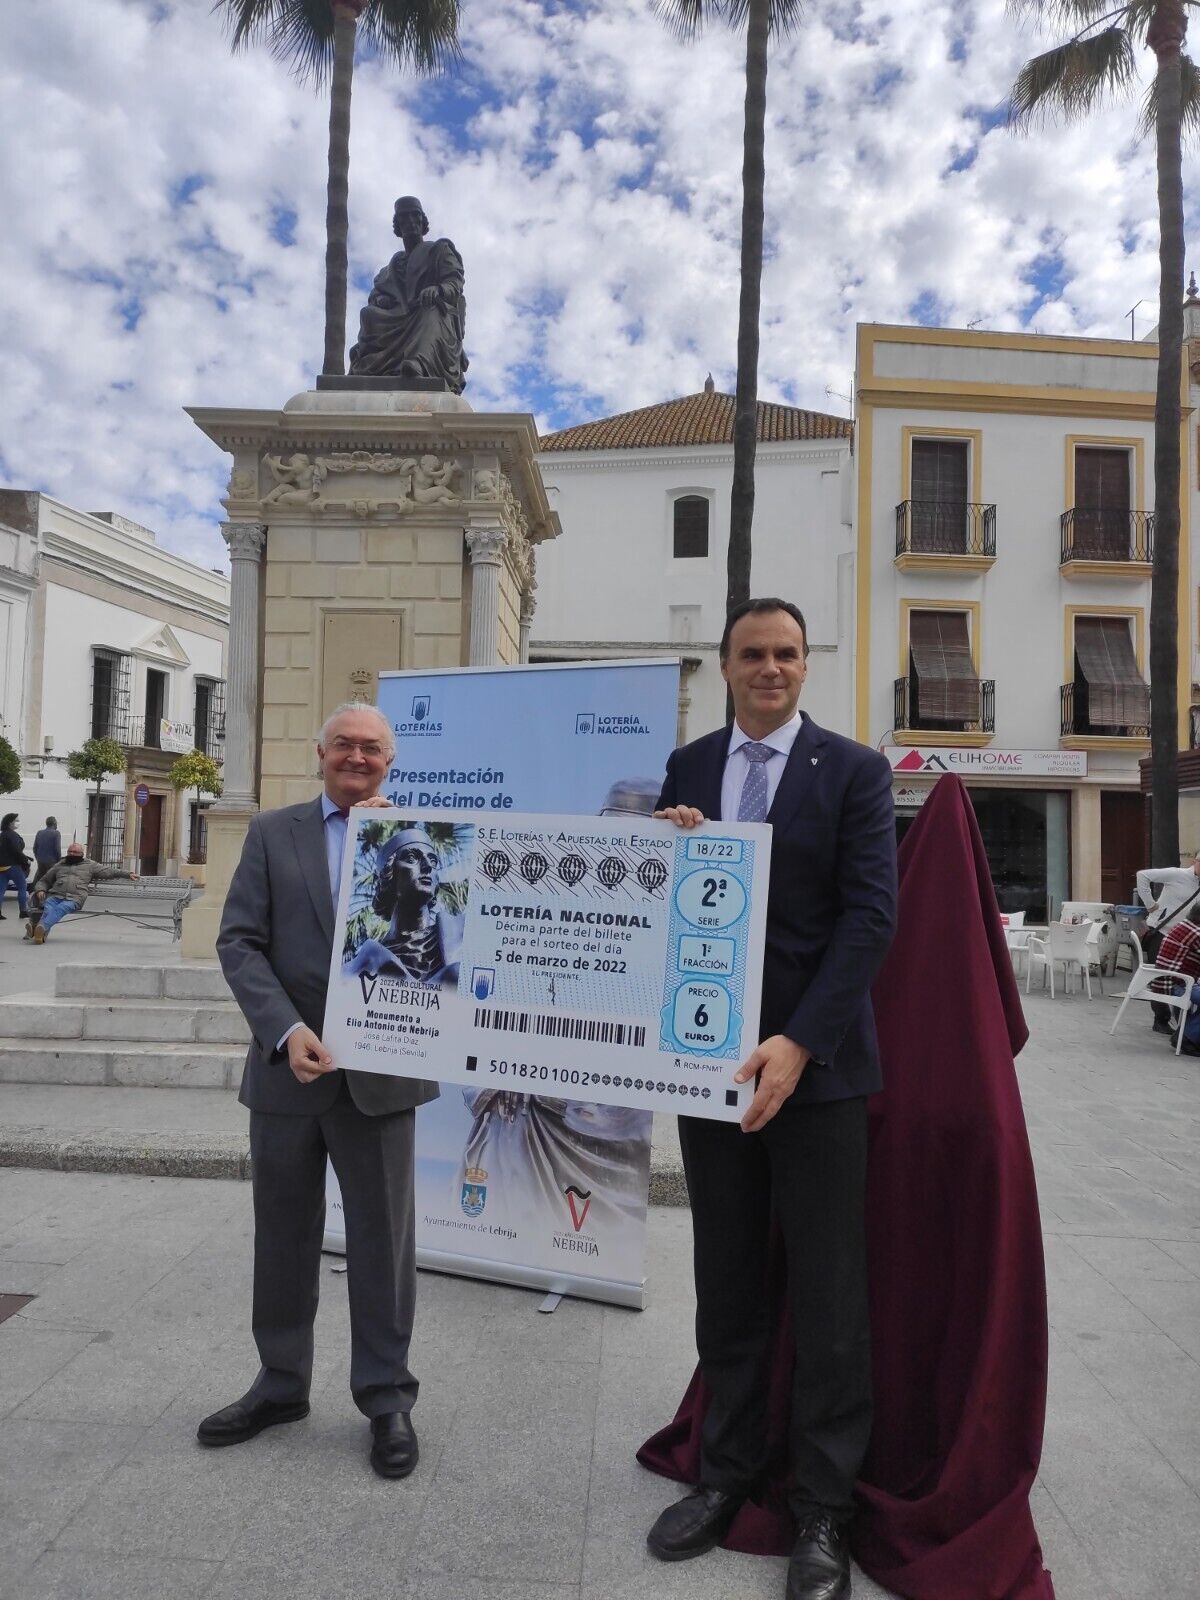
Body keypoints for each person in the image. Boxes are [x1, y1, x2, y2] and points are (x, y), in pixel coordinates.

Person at [644, 597, 897, 1600]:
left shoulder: (857, 771)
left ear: (804, 665)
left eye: (787, 653)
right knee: (729, 1280)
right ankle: (726, 1472)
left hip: (818, 1071)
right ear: (724, 665)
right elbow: (663, 901)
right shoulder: (689, 765)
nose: (771, 668)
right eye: (752, 653)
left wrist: (799, 1043)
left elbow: (871, 917)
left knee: (830, 1297)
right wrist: (663, 845)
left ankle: (823, 1509)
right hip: (709, 1065)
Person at [202, 704, 438, 1480]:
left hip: (382, 1079)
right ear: (320, 752)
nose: (357, 757)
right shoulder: (274, 833)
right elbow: (239, 941)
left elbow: (445, 948)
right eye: (344, 744)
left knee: (383, 1247)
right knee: (282, 1238)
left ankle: (387, 1398)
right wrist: (283, 1029)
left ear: (390, 761)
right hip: (288, 1072)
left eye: (372, 748)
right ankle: (280, 1385)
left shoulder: (425, 837)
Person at [348, 196, 468, 393]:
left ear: (422, 221)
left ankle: (419, 362)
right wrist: (380, 299)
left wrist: (438, 290)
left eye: (415, 216)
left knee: (429, 312)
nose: (411, 222)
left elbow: (454, 282)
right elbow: (377, 293)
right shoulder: (392, 266)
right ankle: (368, 367)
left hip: (429, 312)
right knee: (368, 314)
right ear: (398, 225)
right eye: (404, 218)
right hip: (397, 315)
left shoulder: (439, 250)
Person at [343, 825, 463, 988]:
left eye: (433, 861)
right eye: (412, 858)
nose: (428, 866)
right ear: (388, 876)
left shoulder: (463, 933)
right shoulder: (359, 968)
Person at [24, 842, 137, 942]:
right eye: (70, 852)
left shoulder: (90, 865)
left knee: (61, 908)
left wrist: (127, 874)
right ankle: (40, 934)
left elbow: (109, 871)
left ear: (82, 854)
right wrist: (40, 889)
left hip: (75, 898)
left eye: (75, 852)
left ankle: (39, 927)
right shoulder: (60, 865)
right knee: (48, 907)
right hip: (56, 895)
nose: (72, 854)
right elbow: (44, 880)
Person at [1146, 904, 1200, 1035]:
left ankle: (1185, 1030)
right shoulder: (1195, 933)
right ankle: (1188, 1035)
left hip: (1167, 979)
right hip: (1175, 983)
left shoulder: (1183, 925)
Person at [1135, 852, 1200, 959]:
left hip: (1183, 938)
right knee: (1158, 967)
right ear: (1194, 862)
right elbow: (1142, 875)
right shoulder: (1177, 874)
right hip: (1161, 931)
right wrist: (1150, 904)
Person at [0, 812, 31, 922]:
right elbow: (16, 851)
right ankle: (23, 911)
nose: (18, 822)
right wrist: (26, 860)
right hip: (13, 866)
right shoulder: (12, 835)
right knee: (22, 886)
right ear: (10, 823)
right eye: (16, 820)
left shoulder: (2, 834)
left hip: (2, 867)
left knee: (1, 890)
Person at [31, 816, 62, 887]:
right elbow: (57, 848)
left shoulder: (39, 832)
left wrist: (38, 858)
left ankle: (33, 889)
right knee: (52, 878)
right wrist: (59, 860)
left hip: (40, 860)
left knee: (39, 876)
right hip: (52, 861)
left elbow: (35, 848)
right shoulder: (56, 833)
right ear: (54, 823)